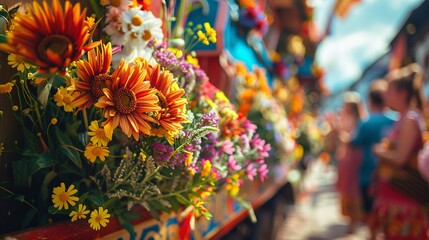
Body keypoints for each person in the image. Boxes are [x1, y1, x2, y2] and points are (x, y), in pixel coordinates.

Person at [370, 63, 429, 240]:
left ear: (402, 94)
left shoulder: (409, 119)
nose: (384, 94)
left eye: (389, 90)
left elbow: (400, 159)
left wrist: (378, 151)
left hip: (404, 200)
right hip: (395, 197)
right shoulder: (403, 118)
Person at [349, 79, 395, 220]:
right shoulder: (396, 120)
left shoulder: (365, 123)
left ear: (370, 100)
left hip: (368, 173)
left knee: (370, 213)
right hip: (390, 173)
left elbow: (354, 143)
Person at [335, 91, 364, 234]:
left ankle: (353, 221)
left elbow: (350, 140)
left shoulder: (357, 122)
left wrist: (341, 135)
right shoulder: (355, 120)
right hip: (349, 158)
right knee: (348, 188)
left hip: (352, 158)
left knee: (351, 189)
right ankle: (351, 221)